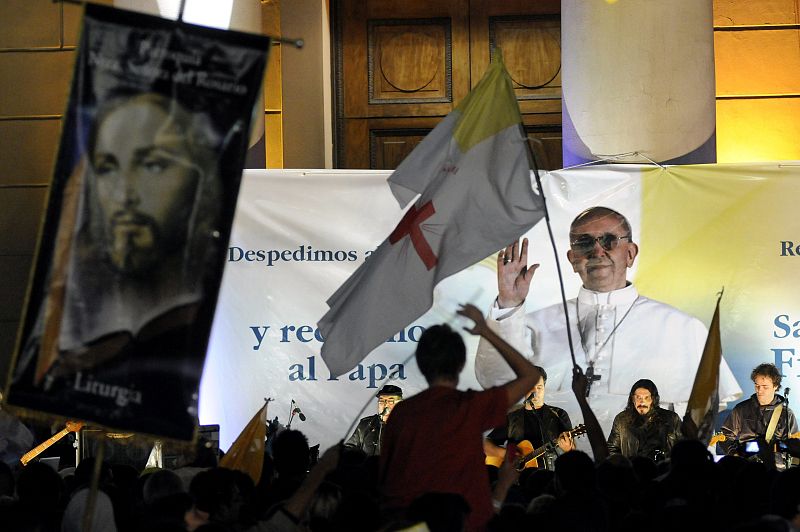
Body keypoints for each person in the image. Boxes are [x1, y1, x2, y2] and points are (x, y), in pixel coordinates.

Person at [10, 92, 223, 439]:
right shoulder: (77, 334)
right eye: (108, 167)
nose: (125, 194)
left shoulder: (193, 332)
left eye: (152, 164)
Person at [474, 206, 742, 439]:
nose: (597, 251)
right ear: (572, 259)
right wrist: (509, 304)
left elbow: (703, 411)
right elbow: (496, 381)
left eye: (609, 240)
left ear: (630, 253)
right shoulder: (535, 324)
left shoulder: (683, 328)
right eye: (584, 243)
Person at [380, 304, 541, 532]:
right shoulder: (470, 407)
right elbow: (530, 375)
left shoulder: (402, 413)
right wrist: (485, 330)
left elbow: (387, 483)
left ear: (422, 364)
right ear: (461, 363)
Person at [484, 366, 575, 471]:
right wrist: (505, 454)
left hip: (551, 478)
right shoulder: (512, 418)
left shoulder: (559, 414)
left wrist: (568, 449)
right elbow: (486, 444)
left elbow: (573, 451)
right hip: (519, 481)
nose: (535, 391)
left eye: (539, 387)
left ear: (544, 389)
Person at [719, 363, 798, 470]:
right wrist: (735, 453)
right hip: (746, 468)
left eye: (765, 387)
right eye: (757, 385)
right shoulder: (741, 409)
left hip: (776, 471)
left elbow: (794, 444)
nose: (759, 390)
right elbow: (725, 436)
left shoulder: (786, 414)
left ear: (775, 386)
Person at [607, 379, 682, 461]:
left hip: (661, 471)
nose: (642, 402)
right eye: (638, 398)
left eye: (646, 398)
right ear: (632, 399)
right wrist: (624, 467)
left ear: (653, 399)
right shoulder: (622, 420)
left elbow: (684, 447)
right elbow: (612, 449)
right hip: (632, 471)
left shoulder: (671, 419)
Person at [344, 384, 402, 456]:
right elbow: (349, 447)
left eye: (390, 401)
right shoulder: (366, 424)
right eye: (382, 401)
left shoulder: (407, 427)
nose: (385, 405)